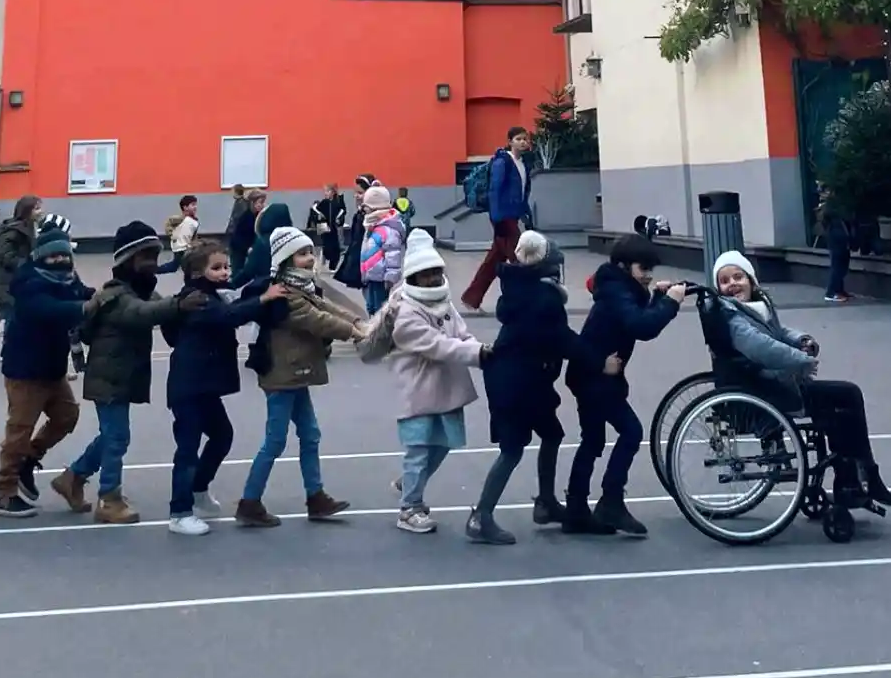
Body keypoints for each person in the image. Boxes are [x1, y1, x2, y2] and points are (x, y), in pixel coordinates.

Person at [709, 251, 891, 510]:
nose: (732, 283)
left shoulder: (756, 306)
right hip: (766, 390)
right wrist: (800, 359)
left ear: (751, 280)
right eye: (724, 281)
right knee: (844, 399)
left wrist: (801, 340)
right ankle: (856, 480)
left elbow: (779, 332)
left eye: (738, 277)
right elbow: (759, 346)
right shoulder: (731, 316)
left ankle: (858, 478)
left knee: (844, 400)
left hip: (771, 382)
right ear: (718, 289)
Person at [468, 230, 617, 545]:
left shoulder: (518, 289)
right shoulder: (543, 297)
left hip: (522, 378)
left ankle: (546, 502)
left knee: (552, 433)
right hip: (518, 382)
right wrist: (598, 361)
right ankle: (481, 516)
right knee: (512, 450)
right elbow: (561, 339)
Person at [236, 226, 364, 527]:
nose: (309, 258)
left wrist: (357, 320)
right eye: (302, 254)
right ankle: (249, 502)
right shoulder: (285, 294)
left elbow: (325, 306)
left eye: (310, 252)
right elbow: (317, 319)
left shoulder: (302, 287)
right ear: (285, 260)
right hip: (282, 376)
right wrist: (355, 332)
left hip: (295, 374)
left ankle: (316, 497)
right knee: (275, 440)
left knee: (310, 435)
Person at [563, 232, 687, 536]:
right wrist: (670, 304)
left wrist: (657, 297)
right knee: (631, 432)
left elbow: (635, 315)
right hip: (595, 376)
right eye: (643, 269)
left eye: (650, 270)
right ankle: (610, 501)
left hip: (589, 375)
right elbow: (641, 326)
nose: (648, 275)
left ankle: (577, 508)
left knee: (593, 440)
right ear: (623, 266)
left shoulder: (617, 287)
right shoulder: (617, 291)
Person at [50, 221, 173, 525]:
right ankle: (109, 498)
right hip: (108, 377)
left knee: (112, 436)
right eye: (144, 257)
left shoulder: (140, 291)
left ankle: (73, 476)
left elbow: (159, 307)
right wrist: (181, 304)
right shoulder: (117, 296)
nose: (152, 264)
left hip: (120, 375)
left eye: (154, 257)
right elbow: (144, 313)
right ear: (127, 260)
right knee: (117, 437)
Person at [164, 240, 285, 536]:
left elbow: (232, 306)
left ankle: (198, 490)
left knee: (222, 435)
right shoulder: (196, 299)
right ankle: (179, 512)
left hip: (202, 386)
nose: (224, 272)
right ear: (197, 272)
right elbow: (229, 317)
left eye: (226, 266)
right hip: (188, 387)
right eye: (216, 268)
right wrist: (264, 298)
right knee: (188, 448)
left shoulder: (213, 295)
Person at [381, 228, 484, 533]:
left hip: (446, 388)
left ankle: (410, 482)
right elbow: (439, 346)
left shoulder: (444, 302)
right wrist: (480, 353)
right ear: (413, 276)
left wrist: (478, 347)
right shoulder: (405, 312)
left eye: (436, 272)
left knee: (443, 445)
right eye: (425, 274)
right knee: (418, 449)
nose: (432, 279)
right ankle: (409, 508)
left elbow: (461, 334)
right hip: (417, 391)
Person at [0, 212, 88, 517]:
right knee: (19, 431)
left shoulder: (69, 278)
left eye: (64, 254)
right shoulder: (29, 281)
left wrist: (105, 297)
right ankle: (4, 493)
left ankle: (29, 460)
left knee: (67, 416)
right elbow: (46, 309)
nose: (59, 259)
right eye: (53, 255)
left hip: (52, 368)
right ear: (40, 255)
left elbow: (83, 295)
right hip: (25, 371)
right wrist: (84, 307)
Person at [461, 128, 534, 313]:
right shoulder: (503, 162)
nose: (523, 142)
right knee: (520, 257)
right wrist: (497, 218)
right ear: (510, 142)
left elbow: (522, 192)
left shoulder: (523, 163)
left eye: (525, 139)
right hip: (503, 217)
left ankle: (471, 298)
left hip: (512, 216)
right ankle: (525, 300)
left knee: (495, 260)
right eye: (518, 139)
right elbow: (495, 190)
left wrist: (525, 214)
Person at [0, 194, 41, 306]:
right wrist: (30, 264)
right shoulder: (12, 231)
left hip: (14, 284)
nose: (41, 212)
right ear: (27, 210)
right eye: (37, 209)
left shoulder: (28, 228)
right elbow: (8, 258)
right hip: (4, 287)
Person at [359, 184, 406, 316]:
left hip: (381, 279)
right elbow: (366, 249)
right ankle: (373, 324)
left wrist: (390, 276)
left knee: (380, 308)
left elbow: (393, 254)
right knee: (370, 306)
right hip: (371, 275)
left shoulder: (388, 230)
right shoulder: (372, 227)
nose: (365, 213)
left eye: (367, 209)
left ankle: (381, 327)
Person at [232, 198, 292, 291]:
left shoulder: (264, 242)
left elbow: (249, 271)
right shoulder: (294, 238)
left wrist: (232, 285)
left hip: (266, 288)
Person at [335, 175, 373, 292]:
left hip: (369, 264)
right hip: (359, 262)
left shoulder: (372, 217)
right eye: (355, 192)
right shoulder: (360, 214)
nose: (356, 196)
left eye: (360, 193)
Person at [817, 187, 853, 305]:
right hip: (837, 239)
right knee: (837, 266)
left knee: (842, 265)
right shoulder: (832, 208)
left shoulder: (835, 207)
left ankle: (839, 290)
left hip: (840, 239)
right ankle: (831, 292)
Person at [156, 196, 200, 278]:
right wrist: (172, 234)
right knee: (177, 266)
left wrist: (195, 244)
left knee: (183, 265)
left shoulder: (194, 221)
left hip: (187, 246)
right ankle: (154, 270)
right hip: (180, 247)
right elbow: (168, 224)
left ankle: (155, 270)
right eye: (193, 205)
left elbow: (193, 235)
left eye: (195, 204)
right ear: (185, 207)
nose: (195, 207)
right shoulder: (180, 219)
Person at [306, 185, 346, 271]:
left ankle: (332, 266)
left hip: (334, 228)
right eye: (325, 191)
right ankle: (324, 260)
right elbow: (315, 210)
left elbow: (342, 211)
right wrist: (318, 219)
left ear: (333, 192)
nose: (325, 193)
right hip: (324, 227)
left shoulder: (337, 202)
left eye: (328, 191)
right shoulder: (324, 202)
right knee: (326, 245)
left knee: (335, 247)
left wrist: (339, 220)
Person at [227, 188, 262, 274]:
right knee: (238, 271)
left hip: (246, 247)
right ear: (252, 203)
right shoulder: (246, 214)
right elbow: (240, 233)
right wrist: (248, 248)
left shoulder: (256, 214)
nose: (263, 205)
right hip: (238, 248)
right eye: (260, 202)